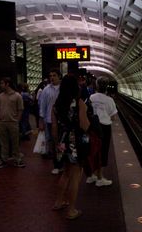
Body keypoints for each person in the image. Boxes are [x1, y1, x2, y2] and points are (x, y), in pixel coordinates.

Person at [51, 75, 90, 220]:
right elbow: (84, 126)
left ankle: (59, 202)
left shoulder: (56, 105)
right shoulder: (79, 103)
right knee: (75, 176)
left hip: (62, 141)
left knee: (65, 173)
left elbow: (54, 127)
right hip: (75, 143)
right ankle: (71, 210)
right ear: (75, 87)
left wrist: (56, 144)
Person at [86, 76, 117, 187]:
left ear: (97, 86)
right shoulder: (109, 100)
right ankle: (100, 178)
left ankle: (91, 175)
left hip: (92, 127)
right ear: (107, 87)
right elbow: (113, 117)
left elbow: (87, 110)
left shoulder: (91, 97)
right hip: (104, 128)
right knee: (102, 151)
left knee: (92, 150)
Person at [0, 77, 26, 168]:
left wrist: (17, 120)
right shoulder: (0, 96)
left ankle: (17, 159)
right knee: (3, 142)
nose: (0, 85)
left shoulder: (17, 96)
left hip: (13, 123)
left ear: (7, 84)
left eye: (2, 83)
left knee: (15, 142)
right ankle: (4, 159)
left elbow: (20, 109)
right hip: (2, 123)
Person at [38, 70, 62, 174]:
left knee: (63, 142)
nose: (52, 78)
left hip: (62, 121)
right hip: (49, 121)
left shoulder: (64, 88)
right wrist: (41, 121)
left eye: (54, 75)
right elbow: (42, 106)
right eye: (50, 76)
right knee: (53, 142)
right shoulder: (46, 90)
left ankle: (63, 163)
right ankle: (56, 165)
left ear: (59, 76)